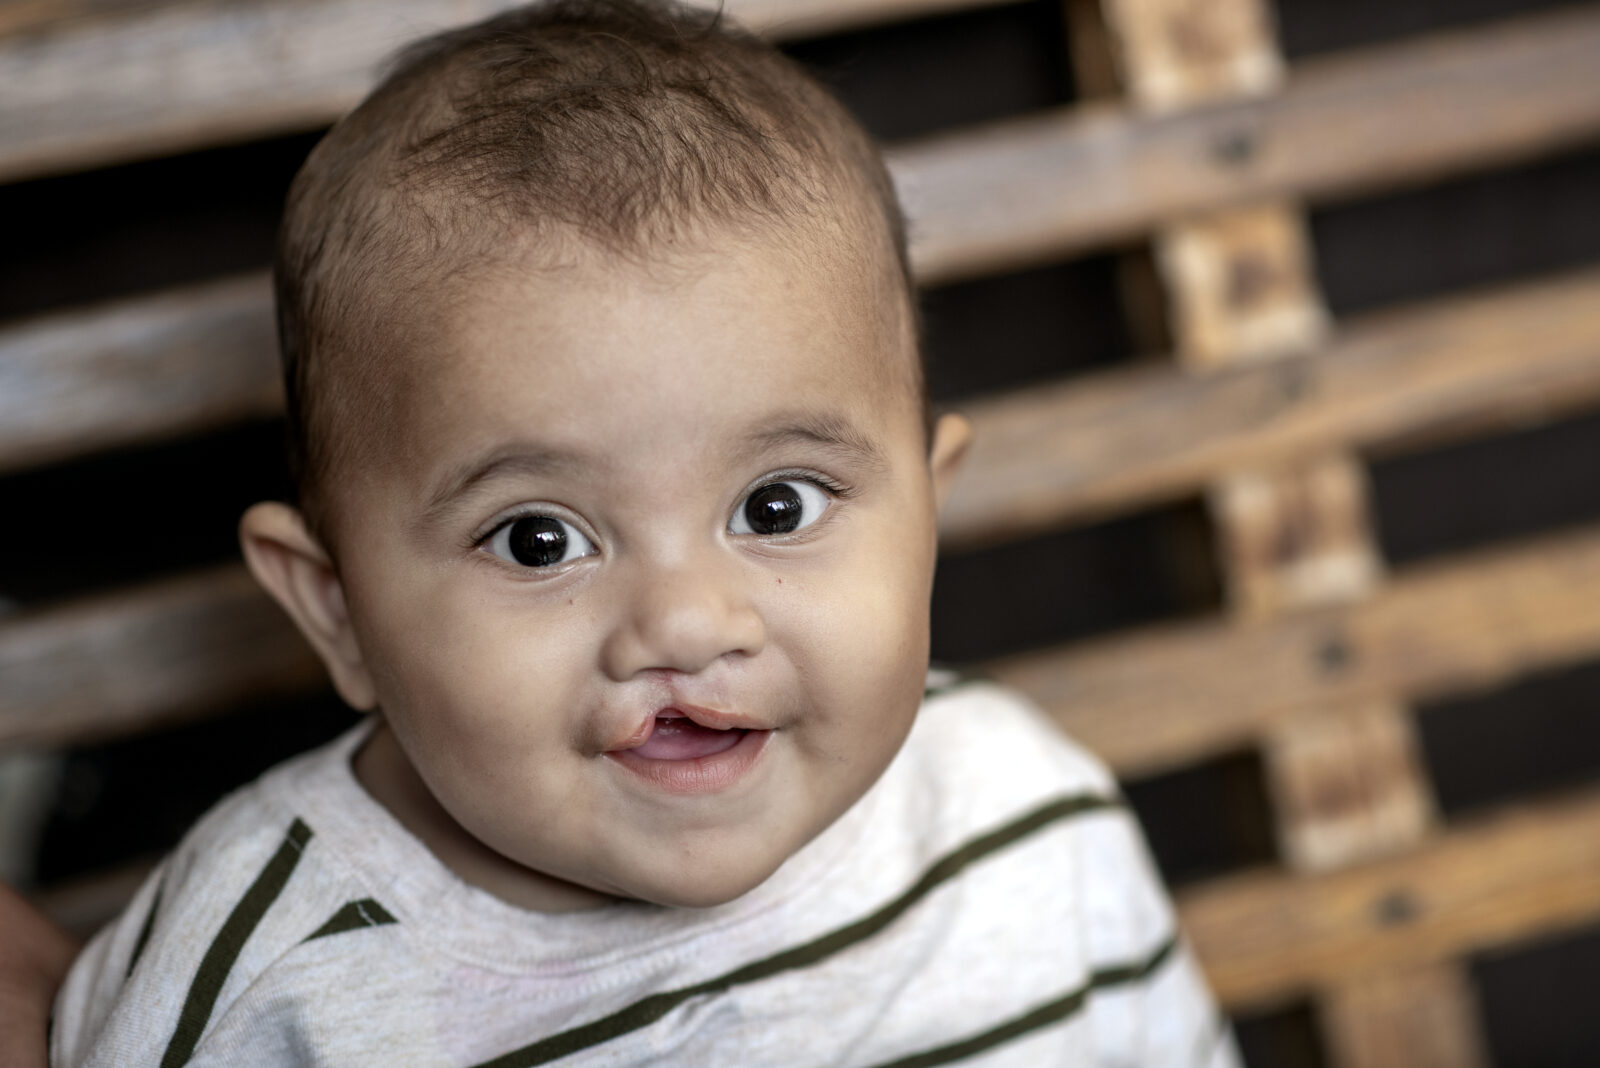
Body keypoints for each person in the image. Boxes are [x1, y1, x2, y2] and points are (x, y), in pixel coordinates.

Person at [26, 1, 1239, 1063]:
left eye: (776, 507)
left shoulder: (1026, 818)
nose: (685, 620)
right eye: (539, 540)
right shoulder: (261, 989)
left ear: (929, 511)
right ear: (334, 607)